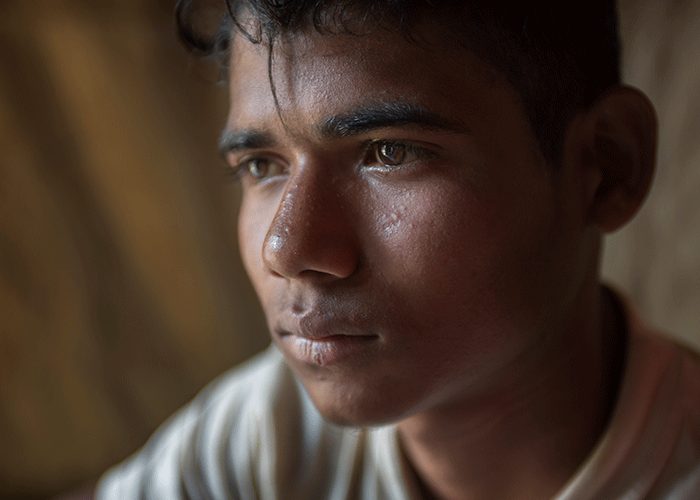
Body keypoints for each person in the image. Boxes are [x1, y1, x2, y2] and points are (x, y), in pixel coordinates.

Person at [95, 1, 700, 498]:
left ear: (606, 166)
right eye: (262, 164)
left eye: (391, 153)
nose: (287, 248)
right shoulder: (263, 439)